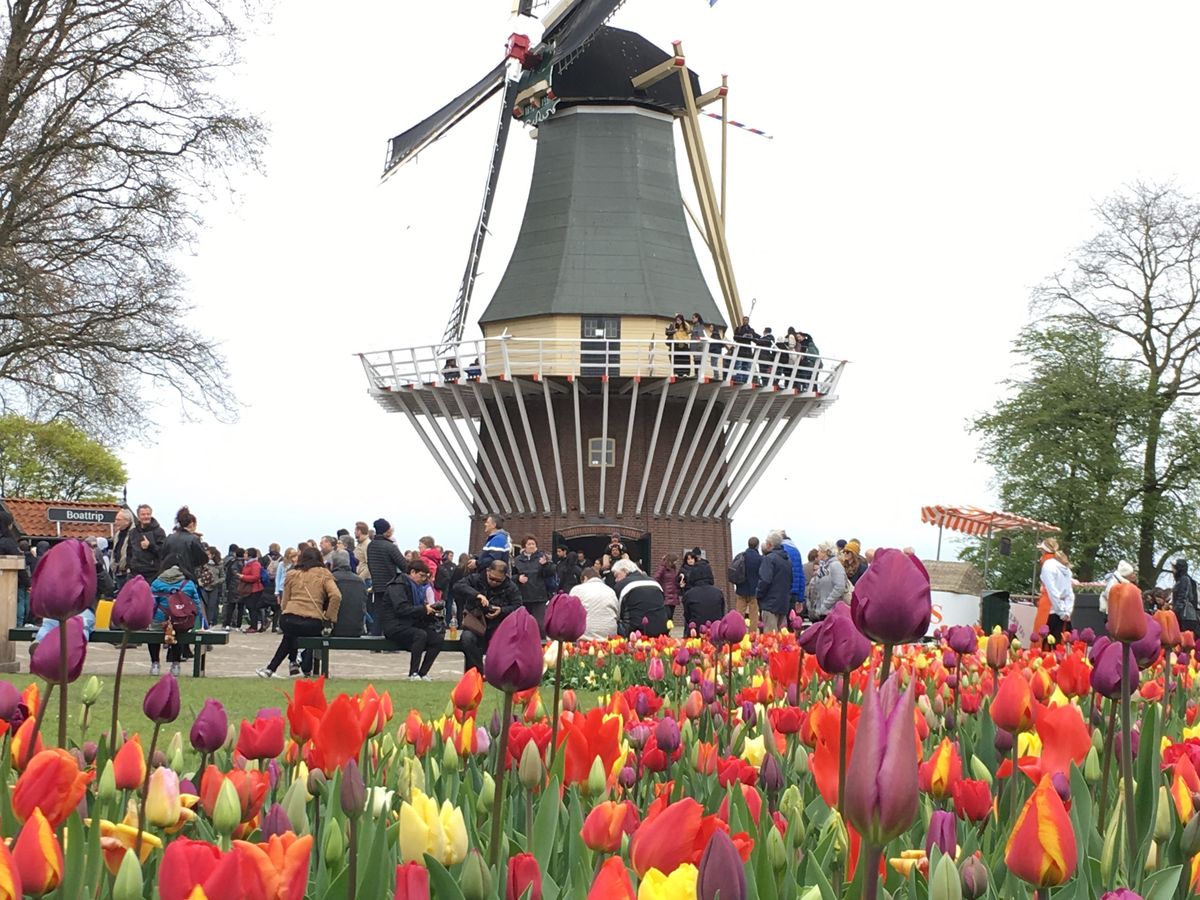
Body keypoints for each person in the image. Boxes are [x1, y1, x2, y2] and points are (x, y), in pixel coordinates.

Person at [257, 545, 341, 678]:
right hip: (312, 620)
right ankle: (303, 667)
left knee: (289, 636)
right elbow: (336, 596)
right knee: (309, 635)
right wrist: (330, 617)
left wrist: (286, 611)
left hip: (289, 618)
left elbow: (285, 600)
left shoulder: (292, 574)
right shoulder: (324, 574)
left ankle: (273, 668)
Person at [453, 559, 523, 674]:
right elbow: (457, 586)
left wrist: (501, 610)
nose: (494, 582)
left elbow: (518, 606)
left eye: (498, 580)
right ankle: (478, 672)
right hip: (475, 623)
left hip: (497, 626)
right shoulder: (475, 579)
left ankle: (497, 673)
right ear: (487, 571)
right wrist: (477, 595)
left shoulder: (511, 587)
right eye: (492, 578)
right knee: (467, 638)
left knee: (504, 643)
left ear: (505, 576)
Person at [378, 558, 444, 680]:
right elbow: (401, 609)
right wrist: (424, 609)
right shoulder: (397, 586)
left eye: (426, 577)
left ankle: (423, 673)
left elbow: (414, 611)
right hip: (394, 626)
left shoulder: (416, 587)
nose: (423, 579)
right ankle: (413, 673)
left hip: (409, 624)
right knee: (420, 635)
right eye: (421, 576)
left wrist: (431, 613)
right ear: (412, 572)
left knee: (437, 639)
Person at [148, 564, 202, 677]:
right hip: (181, 618)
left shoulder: (157, 583)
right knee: (179, 637)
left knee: (153, 637)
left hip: (160, 617)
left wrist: (150, 617)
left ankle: (155, 664)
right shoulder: (188, 584)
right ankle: (176, 665)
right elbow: (196, 603)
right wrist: (196, 617)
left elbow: (152, 603)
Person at [366, 518, 407, 637]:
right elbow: (404, 565)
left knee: (378, 613)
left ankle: (375, 638)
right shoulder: (390, 547)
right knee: (391, 614)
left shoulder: (371, 546)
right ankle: (389, 639)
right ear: (387, 530)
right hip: (390, 584)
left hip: (377, 584)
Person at [612, 559, 670, 637]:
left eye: (617, 576)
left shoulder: (621, 585)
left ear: (625, 570)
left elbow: (617, 613)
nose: (616, 580)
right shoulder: (655, 583)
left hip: (634, 633)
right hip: (661, 631)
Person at [513, 535, 553, 636]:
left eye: (533, 544)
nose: (531, 546)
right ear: (524, 546)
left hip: (539, 596)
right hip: (523, 596)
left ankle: (541, 643)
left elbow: (551, 573)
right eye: (529, 544)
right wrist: (518, 578)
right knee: (523, 624)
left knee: (539, 625)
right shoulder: (517, 560)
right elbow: (510, 576)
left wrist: (545, 565)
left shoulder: (542, 557)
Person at [1038, 539, 1074, 643]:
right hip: (1063, 610)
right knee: (1062, 644)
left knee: (1045, 644)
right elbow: (1069, 593)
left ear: (1044, 551)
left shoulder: (1048, 565)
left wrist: (1061, 611)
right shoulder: (1064, 567)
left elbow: (1052, 591)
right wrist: (1067, 611)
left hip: (1050, 609)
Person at [756, 530, 792, 632]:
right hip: (783, 603)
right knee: (780, 635)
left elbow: (765, 580)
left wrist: (758, 594)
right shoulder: (787, 560)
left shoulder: (769, 559)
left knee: (770, 636)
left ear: (769, 544)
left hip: (770, 603)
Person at [161, 506, 207, 583]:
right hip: (187, 576)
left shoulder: (169, 538)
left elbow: (162, 556)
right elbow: (203, 559)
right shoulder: (193, 539)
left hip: (168, 577)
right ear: (192, 524)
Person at [569, 567, 619, 639]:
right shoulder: (611, 591)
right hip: (610, 638)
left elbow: (570, 615)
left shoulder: (577, 589)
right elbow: (617, 615)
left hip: (584, 638)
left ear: (585, 578)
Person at [0, 510, 28, 627]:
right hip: (9, 584)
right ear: (9, 524)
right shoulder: (8, 542)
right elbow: (18, 562)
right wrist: (27, 582)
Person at [806, 541, 847, 621]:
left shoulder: (835, 565)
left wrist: (825, 605)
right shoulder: (823, 567)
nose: (818, 553)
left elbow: (840, 587)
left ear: (827, 552)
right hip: (820, 612)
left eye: (820, 550)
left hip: (830, 612)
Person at [330, 550, 367, 638]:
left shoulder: (330, 580)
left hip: (335, 630)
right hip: (356, 630)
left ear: (333, 563)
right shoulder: (360, 581)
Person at [129, 504, 166, 585]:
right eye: (143, 514)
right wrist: (130, 566)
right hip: (135, 573)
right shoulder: (133, 532)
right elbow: (129, 551)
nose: (146, 516)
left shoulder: (159, 532)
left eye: (148, 514)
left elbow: (163, 552)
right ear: (138, 517)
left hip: (152, 574)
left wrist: (150, 546)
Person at [731, 537, 762, 628]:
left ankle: (737, 631)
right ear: (757, 546)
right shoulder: (760, 559)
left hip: (741, 589)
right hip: (754, 591)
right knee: (754, 615)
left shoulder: (741, 556)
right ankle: (752, 633)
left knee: (739, 614)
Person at [239, 548, 268, 633]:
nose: (244, 555)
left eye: (246, 553)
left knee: (252, 608)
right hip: (248, 589)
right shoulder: (247, 564)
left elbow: (255, 577)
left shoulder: (255, 564)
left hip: (255, 589)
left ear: (250, 555)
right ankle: (254, 625)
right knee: (250, 607)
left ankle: (254, 626)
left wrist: (243, 577)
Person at [653, 553, 682, 630]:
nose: (676, 562)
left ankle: (668, 632)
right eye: (675, 561)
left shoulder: (673, 569)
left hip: (673, 595)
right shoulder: (663, 568)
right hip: (666, 595)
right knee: (667, 616)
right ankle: (664, 631)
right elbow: (656, 578)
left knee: (670, 617)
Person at [1173, 559, 1200, 639]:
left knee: (1187, 639)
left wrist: (1175, 611)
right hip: (1186, 614)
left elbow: (1182, 597)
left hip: (1185, 615)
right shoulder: (1184, 579)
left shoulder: (1184, 579)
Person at [110, 507, 135, 593]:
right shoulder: (117, 534)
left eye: (118, 520)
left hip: (129, 573)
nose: (116, 522)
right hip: (118, 572)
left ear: (127, 521)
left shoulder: (135, 534)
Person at [220, 545, 245, 631]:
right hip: (243, 586)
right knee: (241, 607)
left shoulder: (231, 562)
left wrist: (227, 586)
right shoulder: (246, 563)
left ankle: (227, 624)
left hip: (233, 586)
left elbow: (228, 575)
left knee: (231, 606)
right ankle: (238, 625)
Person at [199, 546, 225, 627]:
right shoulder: (202, 564)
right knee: (204, 605)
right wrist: (199, 581)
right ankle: (204, 622)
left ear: (213, 555)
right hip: (203, 587)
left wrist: (215, 582)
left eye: (208, 554)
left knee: (212, 605)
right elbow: (197, 574)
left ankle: (210, 622)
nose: (207, 556)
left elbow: (223, 577)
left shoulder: (219, 565)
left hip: (214, 588)